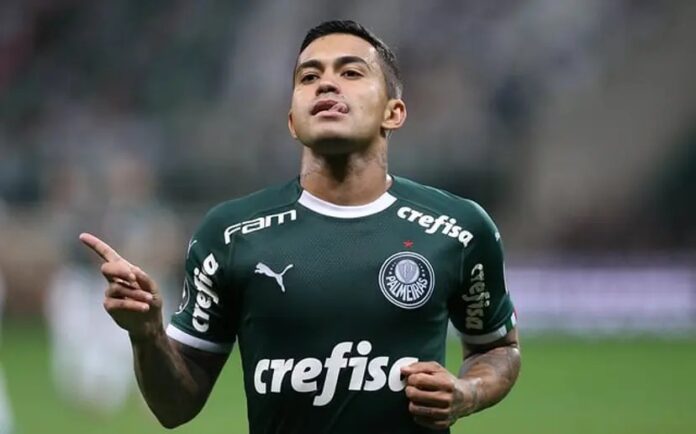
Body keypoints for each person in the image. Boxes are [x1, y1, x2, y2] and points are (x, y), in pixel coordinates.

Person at [80, 20, 520, 434]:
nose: (326, 83)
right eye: (309, 77)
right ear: (293, 121)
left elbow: (496, 348)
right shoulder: (230, 234)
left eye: (351, 72)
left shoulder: (458, 229)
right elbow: (175, 407)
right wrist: (147, 334)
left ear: (394, 112)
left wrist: (467, 393)